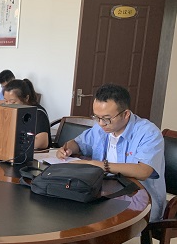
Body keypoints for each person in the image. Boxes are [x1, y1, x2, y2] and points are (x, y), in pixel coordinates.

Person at [57, 83, 165, 222]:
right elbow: (78, 143)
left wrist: (99, 165)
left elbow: (143, 171)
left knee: (87, 220)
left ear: (125, 114)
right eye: (97, 117)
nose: (101, 123)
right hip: (105, 192)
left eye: (106, 118)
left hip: (140, 201)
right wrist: (67, 149)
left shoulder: (148, 133)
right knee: (65, 210)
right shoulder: (101, 128)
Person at [3, 79, 51, 150]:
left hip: (35, 153)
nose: (8, 105)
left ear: (26, 98)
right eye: (6, 101)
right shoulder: (13, 112)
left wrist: (15, 139)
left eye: (13, 102)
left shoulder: (38, 113)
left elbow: (42, 143)